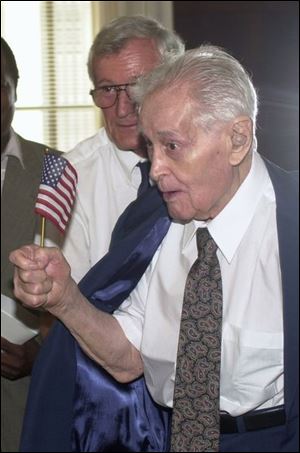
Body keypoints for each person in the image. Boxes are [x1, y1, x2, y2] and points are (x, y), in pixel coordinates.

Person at [10, 44, 298, 453]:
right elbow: (129, 359)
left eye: (172, 146)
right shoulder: (151, 223)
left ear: (237, 139)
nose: (156, 168)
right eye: (150, 147)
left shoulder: (289, 227)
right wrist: (65, 300)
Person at [62, 15, 185, 283]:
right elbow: (69, 299)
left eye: (138, 86)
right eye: (107, 89)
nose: (121, 109)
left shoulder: (209, 160)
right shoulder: (72, 177)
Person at [1, 37, 59, 452]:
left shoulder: (56, 171)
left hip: (24, 402)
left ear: (15, 88)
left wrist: (43, 354)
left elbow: (89, 279)